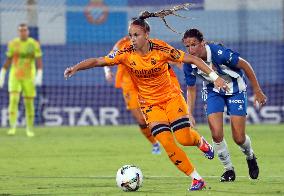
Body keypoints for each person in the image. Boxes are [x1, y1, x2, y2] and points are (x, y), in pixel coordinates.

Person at [64, 13, 229, 191]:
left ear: (146, 34)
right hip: (150, 104)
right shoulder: (125, 53)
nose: (132, 39)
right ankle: (196, 178)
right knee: (167, 143)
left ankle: (199, 142)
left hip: (172, 97)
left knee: (184, 138)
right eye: (130, 35)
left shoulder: (161, 49)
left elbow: (193, 59)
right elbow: (98, 61)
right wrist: (75, 68)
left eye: (136, 35)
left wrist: (215, 77)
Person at [182, 28, 267, 182]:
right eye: (187, 46)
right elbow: (191, 88)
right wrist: (189, 113)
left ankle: (250, 156)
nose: (190, 49)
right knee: (216, 134)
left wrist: (257, 90)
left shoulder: (218, 53)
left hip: (236, 89)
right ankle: (228, 170)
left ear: (202, 43)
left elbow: (245, 65)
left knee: (239, 138)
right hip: (213, 91)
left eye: (193, 45)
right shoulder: (189, 62)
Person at [104, 36, 161, 155]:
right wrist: (108, 72)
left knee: (155, 116)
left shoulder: (151, 44)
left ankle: (166, 139)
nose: (134, 35)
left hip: (147, 84)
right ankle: (155, 144)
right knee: (141, 119)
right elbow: (106, 60)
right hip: (129, 87)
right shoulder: (122, 44)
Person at [0, 23, 43, 137]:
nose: (23, 32)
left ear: (28, 31)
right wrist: (3, 73)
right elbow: (9, 59)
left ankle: (29, 129)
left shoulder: (34, 44)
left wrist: (39, 73)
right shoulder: (13, 44)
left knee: (29, 103)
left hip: (29, 77)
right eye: (21, 30)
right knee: (13, 100)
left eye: (25, 30)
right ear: (18, 32)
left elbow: (38, 59)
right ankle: (12, 127)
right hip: (15, 76)